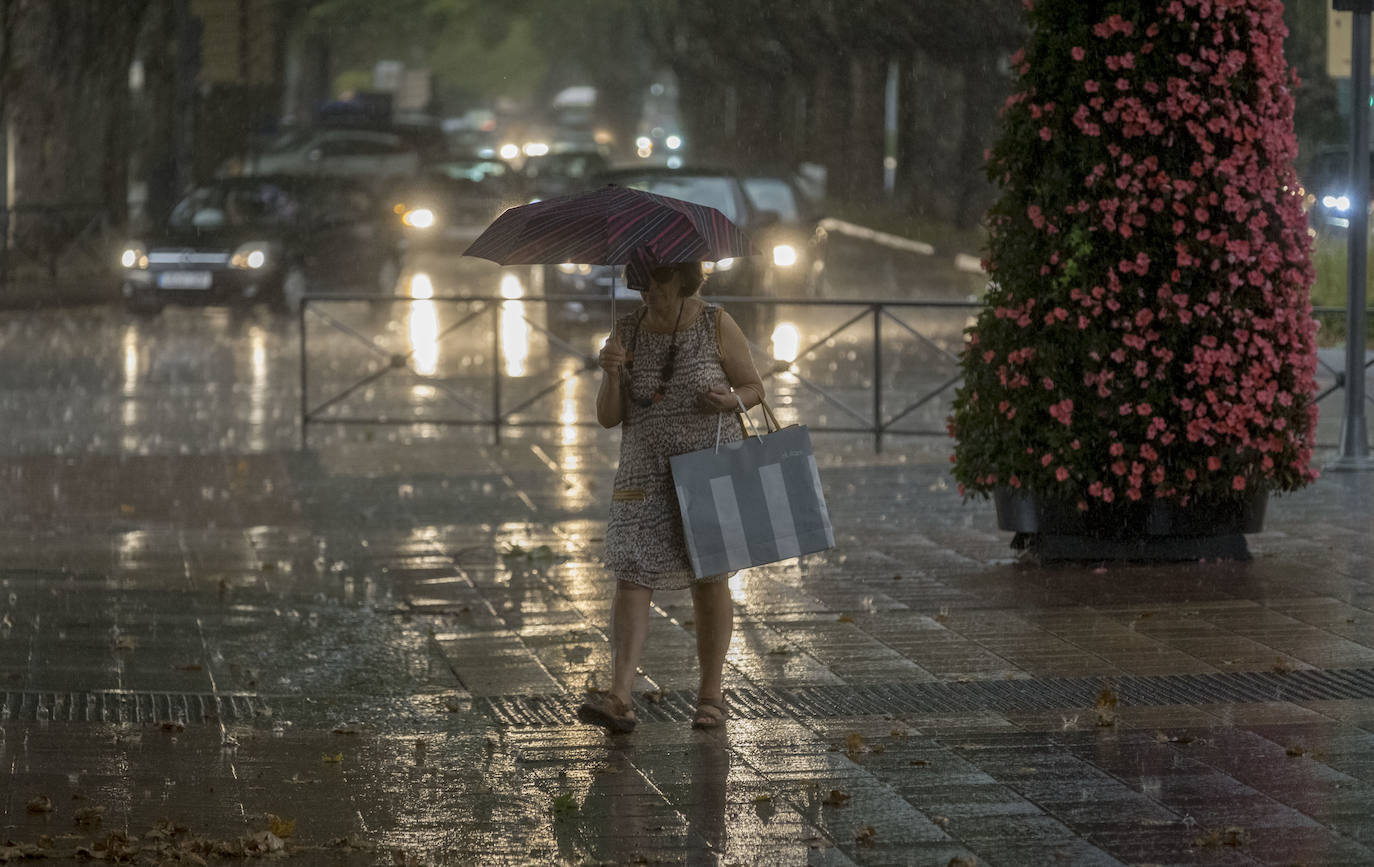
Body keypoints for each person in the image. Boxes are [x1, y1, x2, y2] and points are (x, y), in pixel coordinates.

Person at [577, 254, 766, 734]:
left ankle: (711, 693)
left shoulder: (715, 323)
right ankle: (620, 696)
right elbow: (607, 416)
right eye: (639, 280)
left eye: (657, 279)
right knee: (631, 571)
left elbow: (754, 387)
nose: (648, 290)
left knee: (710, 576)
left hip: (707, 467)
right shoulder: (627, 329)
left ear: (683, 278)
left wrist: (730, 400)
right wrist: (611, 372)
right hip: (642, 472)